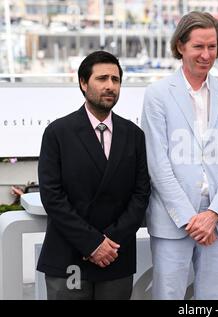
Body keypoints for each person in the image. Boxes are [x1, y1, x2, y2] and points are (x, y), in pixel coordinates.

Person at [141, 11, 218, 300]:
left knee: (214, 298)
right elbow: (157, 164)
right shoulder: (158, 94)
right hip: (173, 219)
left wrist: (212, 214)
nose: (206, 54)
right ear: (180, 46)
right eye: (198, 46)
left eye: (212, 46)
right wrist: (191, 219)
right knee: (168, 295)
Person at [37, 51, 151, 300]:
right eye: (102, 79)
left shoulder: (134, 135)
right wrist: (92, 244)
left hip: (115, 256)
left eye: (116, 79)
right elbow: (52, 196)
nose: (110, 86)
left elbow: (141, 194)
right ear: (83, 82)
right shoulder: (58, 132)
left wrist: (109, 243)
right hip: (68, 256)